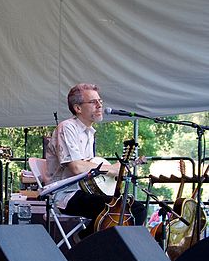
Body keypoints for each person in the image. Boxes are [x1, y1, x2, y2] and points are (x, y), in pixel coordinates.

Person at [45, 83, 147, 238]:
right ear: (78, 108)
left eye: (100, 101)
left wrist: (116, 171)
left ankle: (89, 237)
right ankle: (88, 240)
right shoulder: (67, 128)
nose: (100, 105)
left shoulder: (89, 133)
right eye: (93, 102)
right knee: (126, 209)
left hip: (85, 191)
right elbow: (77, 167)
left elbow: (88, 168)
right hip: (66, 195)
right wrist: (112, 169)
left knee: (137, 208)